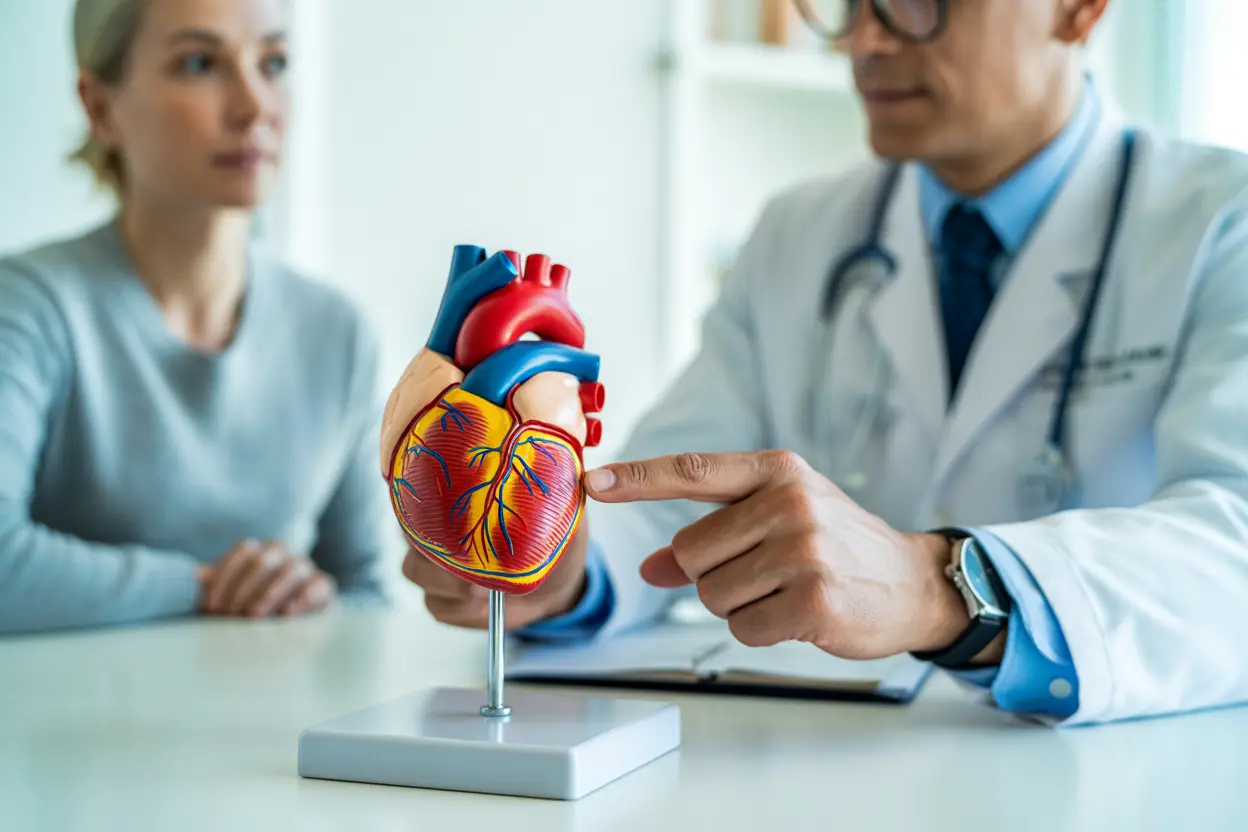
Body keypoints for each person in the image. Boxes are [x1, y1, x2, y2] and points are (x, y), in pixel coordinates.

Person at [405, 0, 1248, 728]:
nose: (865, 40)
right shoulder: (798, 233)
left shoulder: (1221, 224)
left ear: (1079, 8)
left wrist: (941, 587)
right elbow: (669, 504)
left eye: (917, 1)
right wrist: (561, 568)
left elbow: (1233, 548)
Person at [0, 0, 388, 634]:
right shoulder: (26, 307)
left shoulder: (337, 333)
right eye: (200, 64)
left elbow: (366, 598)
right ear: (100, 108)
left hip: (269, 702)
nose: (255, 106)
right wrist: (206, 589)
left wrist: (313, 598)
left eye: (273, 64)